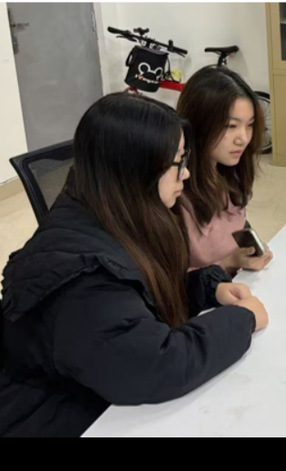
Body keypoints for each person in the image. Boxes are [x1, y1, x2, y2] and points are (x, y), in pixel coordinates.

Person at [0, 93, 269, 437]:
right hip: (56, 416)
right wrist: (242, 320)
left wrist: (207, 287)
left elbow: (133, 301)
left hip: (90, 387)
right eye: (177, 163)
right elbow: (156, 365)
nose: (186, 173)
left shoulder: (110, 213)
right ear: (135, 171)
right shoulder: (85, 279)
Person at [176, 66, 273, 274]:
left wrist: (245, 254)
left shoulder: (230, 175)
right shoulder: (174, 191)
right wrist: (229, 262)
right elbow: (168, 280)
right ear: (199, 123)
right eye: (231, 126)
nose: (243, 138)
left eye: (250, 125)